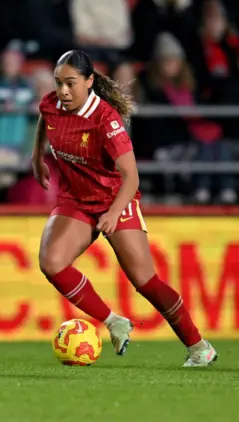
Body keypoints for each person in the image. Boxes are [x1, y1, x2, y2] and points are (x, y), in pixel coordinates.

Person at [32, 50, 218, 367]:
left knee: (145, 280)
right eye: (59, 83)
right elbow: (45, 120)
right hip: (76, 199)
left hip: (115, 198)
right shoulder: (52, 104)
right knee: (52, 262)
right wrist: (37, 157)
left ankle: (199, 346)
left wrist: (114, 212)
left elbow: (131, 176)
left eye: (71, 83)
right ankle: (114, 320)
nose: (63, 91)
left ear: (89, 82)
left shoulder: (106, 119)